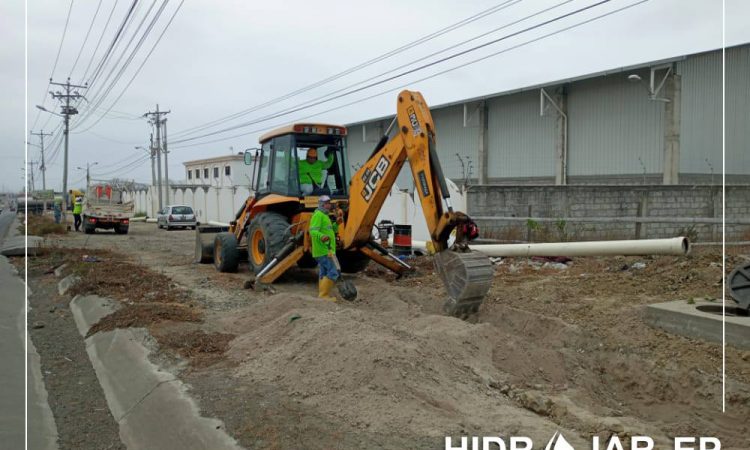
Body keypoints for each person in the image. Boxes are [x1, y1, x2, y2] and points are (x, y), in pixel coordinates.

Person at [308, 195, 340, 300]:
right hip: (323, 250)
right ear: (322, 204)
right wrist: (322, 237)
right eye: (327, 203)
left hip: (327, 250)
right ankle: (324, 295)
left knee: (324, 272)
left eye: (329, 203)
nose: (329, 205)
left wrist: (336, 224)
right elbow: (312, 230)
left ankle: (322, 295)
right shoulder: (318, 215)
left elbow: (330, 231)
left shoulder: (325, 216)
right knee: (333, 272)